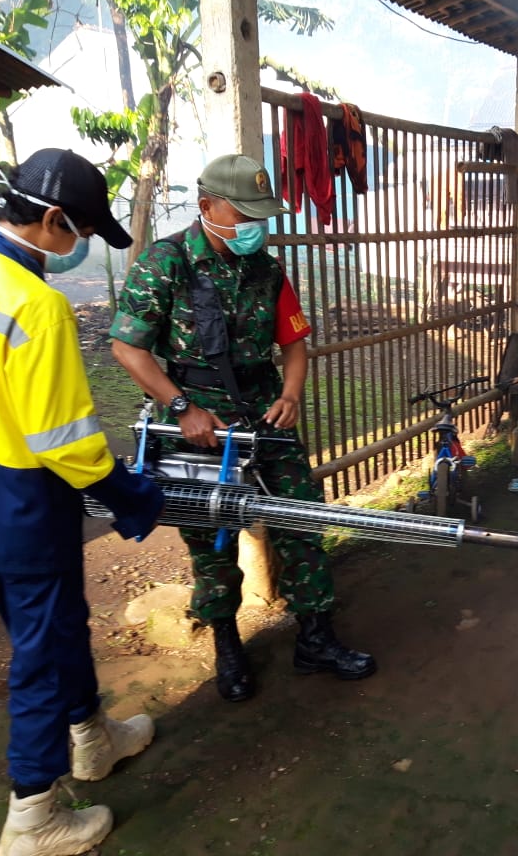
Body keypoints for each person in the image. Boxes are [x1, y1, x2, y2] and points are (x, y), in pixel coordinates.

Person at [0, 148, 165, 856]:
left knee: (54, 624)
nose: (75, 247)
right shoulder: (35, 305)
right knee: (40, 653)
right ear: (49, 219)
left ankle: (91, 739)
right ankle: (34, 817)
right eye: (77, 231)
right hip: (22, 502)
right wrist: (130, 497)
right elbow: (66, 440)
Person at [109, 153, 375, 704]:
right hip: (196, 425)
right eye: (244, 214)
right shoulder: (167, 263)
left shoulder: (267, 270)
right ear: (206, 206)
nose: (256, 227)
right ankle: (227, 645)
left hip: (264, 416)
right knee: (211, 541)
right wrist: (182, 408)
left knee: (302, 521)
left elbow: (294, 343)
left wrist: (291, 394)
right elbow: (127, 347)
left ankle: (316, 639)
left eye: (261, 215)